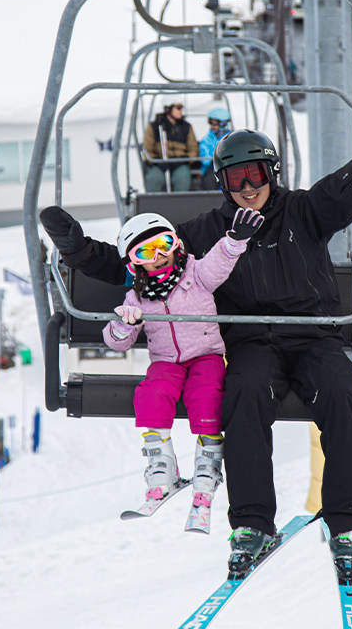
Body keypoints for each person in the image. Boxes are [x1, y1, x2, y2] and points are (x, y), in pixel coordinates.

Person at [40, 97, 352, 580]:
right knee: (242, 394)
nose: (248, 187)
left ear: (272, 173)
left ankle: (346, 523)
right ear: (222, 182)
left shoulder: (304, 211)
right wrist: (77, 249)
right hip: (250, 342)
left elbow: (347, 191)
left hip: (313, 336)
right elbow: (141, 261)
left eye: (256, 174)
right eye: (236, 179)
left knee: (345, 394)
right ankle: (253, 524)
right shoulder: (205, 233)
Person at [98, 208, 263, 531]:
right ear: (134, 263)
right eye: (145, 252)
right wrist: (123, 324)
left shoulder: (196, 274)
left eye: (164, 244)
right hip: (166, 361)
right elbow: (118, 343)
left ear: (176, 245)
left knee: (207, 396)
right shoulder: (136, 298)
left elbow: (218, 263)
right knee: (151, 394)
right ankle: (162, 470)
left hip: (206, 355)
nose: (158, 255)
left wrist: (233, 242)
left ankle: (206, 474)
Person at [142, 102, 199, 193]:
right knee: (154, 179)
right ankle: (154, 201)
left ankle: (180, 201)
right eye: (178, 108)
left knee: (182, 178)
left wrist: (186, 159)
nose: (181, 111)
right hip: (160, 162)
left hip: (180, 163)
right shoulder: (155, 126)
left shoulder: (186, 127)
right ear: (168, 109)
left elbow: (193, 148)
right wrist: (156, 161)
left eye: (182, 108)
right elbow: (147, 149)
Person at [197, 107, 233, 190]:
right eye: (210, 123)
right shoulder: (206, 139)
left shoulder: (231, 138)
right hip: (211, 169)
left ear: (223, 124)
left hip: (228, 167)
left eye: (214, 124)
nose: (212, 126)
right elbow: (205, 159)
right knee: (211, 178)